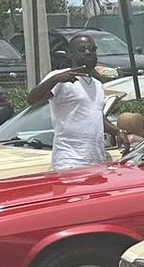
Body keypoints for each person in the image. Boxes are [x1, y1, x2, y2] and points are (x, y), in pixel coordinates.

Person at [27, 32, 115, 171]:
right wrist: (54, 80)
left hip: (97, 161)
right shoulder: (60, 78)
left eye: (92, 49)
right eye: (82, 50)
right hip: (69, 161)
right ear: (70, 54)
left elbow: (96, 117)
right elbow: (32, 100)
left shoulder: (97, 84)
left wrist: (118, 131)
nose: (88, 53)